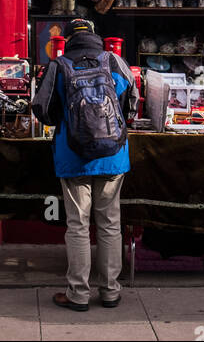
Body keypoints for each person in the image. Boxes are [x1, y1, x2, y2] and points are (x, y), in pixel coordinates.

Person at [32, 16, 135, 312]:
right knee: (110, 224)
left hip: (73, 155)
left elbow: (42, 107)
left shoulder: (58, 65)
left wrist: (63, 123)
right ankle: (110, 291)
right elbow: (133, 96)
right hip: (114, 155)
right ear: (94, 36)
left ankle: (78, 294)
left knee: (78, 225)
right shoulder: (113, 61)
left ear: (68, 39)